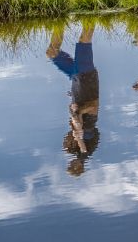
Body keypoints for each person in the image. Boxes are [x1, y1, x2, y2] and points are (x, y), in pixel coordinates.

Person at [46, 22, 100, 176]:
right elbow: (94, 106)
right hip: (86, 78)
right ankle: (92, 14)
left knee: (51, 52)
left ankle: (59, 21)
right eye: (73, 166)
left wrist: (73, 100)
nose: (71, 164)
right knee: (84, 40)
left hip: (76, 78)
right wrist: (80, 140)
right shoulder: (88, 129)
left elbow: (76, 107)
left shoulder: (76, 127)